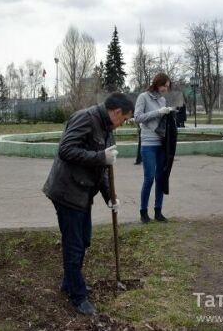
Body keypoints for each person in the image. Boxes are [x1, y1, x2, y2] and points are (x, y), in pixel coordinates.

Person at [42, 92, 134, 315]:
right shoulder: (86, 118)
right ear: (116, 112)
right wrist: (100, 157)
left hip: (83, 192)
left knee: (84, 240)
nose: (124, 124)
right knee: (74, 245)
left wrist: (110, 197)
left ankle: (70, 282)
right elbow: (65, 150)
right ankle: (78, 296)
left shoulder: (107, 129)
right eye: (125, 119)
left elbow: (103, 169)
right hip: (67, 191)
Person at [134, 73, 175, 223]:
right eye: (164, 85)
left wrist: (168, 112)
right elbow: (137, 117)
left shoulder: (163, 100)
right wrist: (158, 112)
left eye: (168, 86)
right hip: (148, 144)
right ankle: (143, 212)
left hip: (161, 143)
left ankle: (158, 211)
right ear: (157, 83)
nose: (166, 89)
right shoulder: (143, 97)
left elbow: (161, 120)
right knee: (149, 178)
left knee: (160, 178)